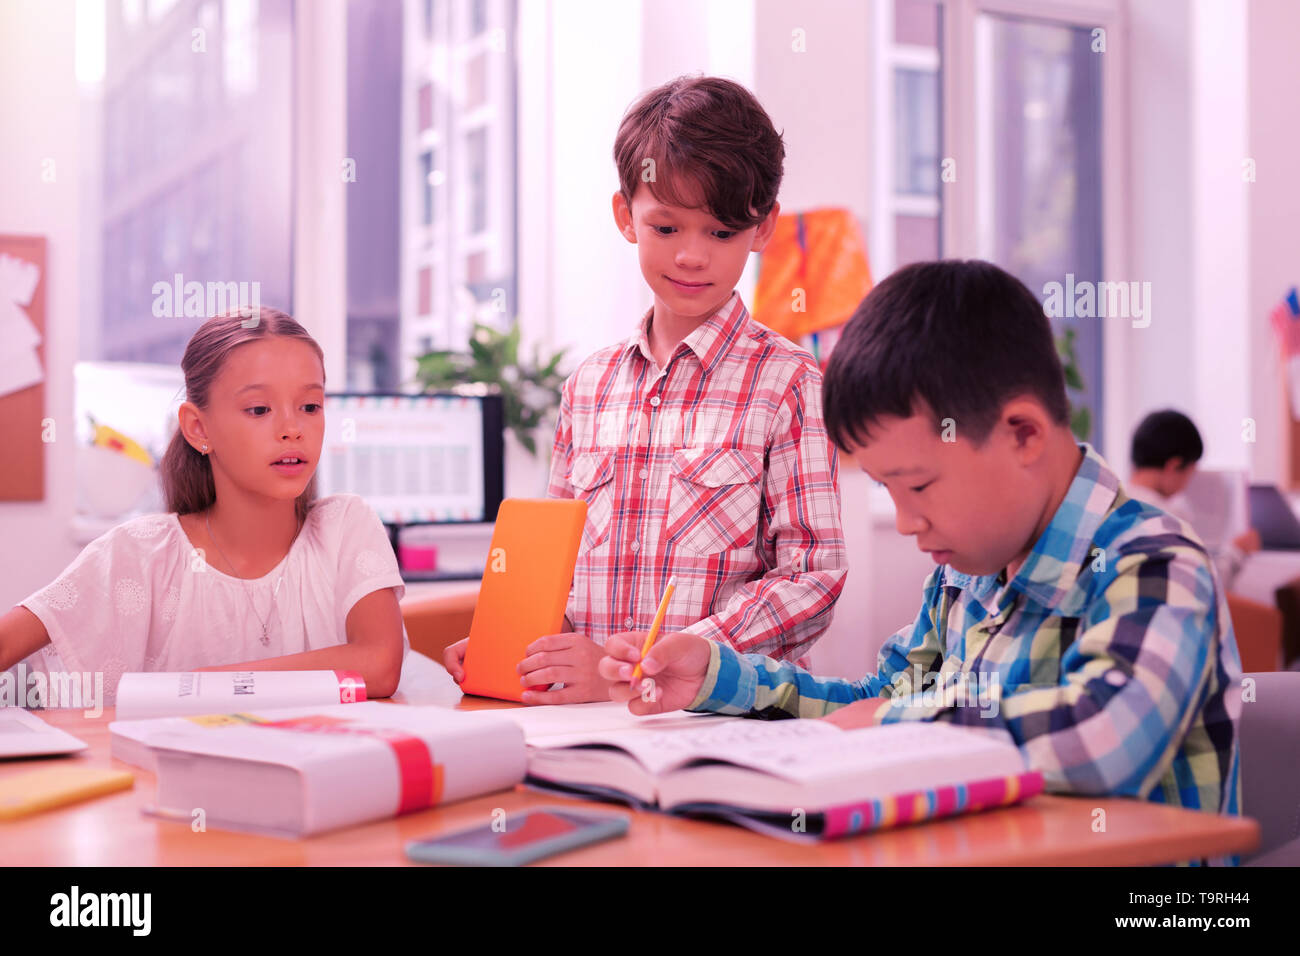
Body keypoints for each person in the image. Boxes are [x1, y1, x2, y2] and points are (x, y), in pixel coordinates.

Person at [600, 260, 1242, 850]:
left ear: (1022, 434)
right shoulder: (963, 576)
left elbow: (1104, 738)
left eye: (919, 486)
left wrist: (895, 718)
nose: (906, 522)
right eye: (887, 490)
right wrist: (716, 675)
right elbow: (873, 700)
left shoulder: (1155, 562)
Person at [443, 76, 847, 703]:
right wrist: (523, 644)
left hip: (717, 719)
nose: (691, 256)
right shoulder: (589, 387)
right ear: (625, 216)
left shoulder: (790, 383)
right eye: (666, 228)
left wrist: (650, 665)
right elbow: (558, 574)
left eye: (720, 233)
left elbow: (810, 580)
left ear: (763, 228)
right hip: (580, 722)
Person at [0, 309, 409, 705]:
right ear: (198, 428)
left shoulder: (345, 527)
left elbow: (378, 664)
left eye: (310, 407)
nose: (292, 430)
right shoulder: (137, 555)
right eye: (259, 409)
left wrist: (195, 688)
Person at [1127, 408, 1261, 591]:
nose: (1186, 484)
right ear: (1174, 465)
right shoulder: (1167, 519)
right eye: (1191, 473)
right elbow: (1204, 586)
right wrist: (1236, 552)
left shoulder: (1112, 503)